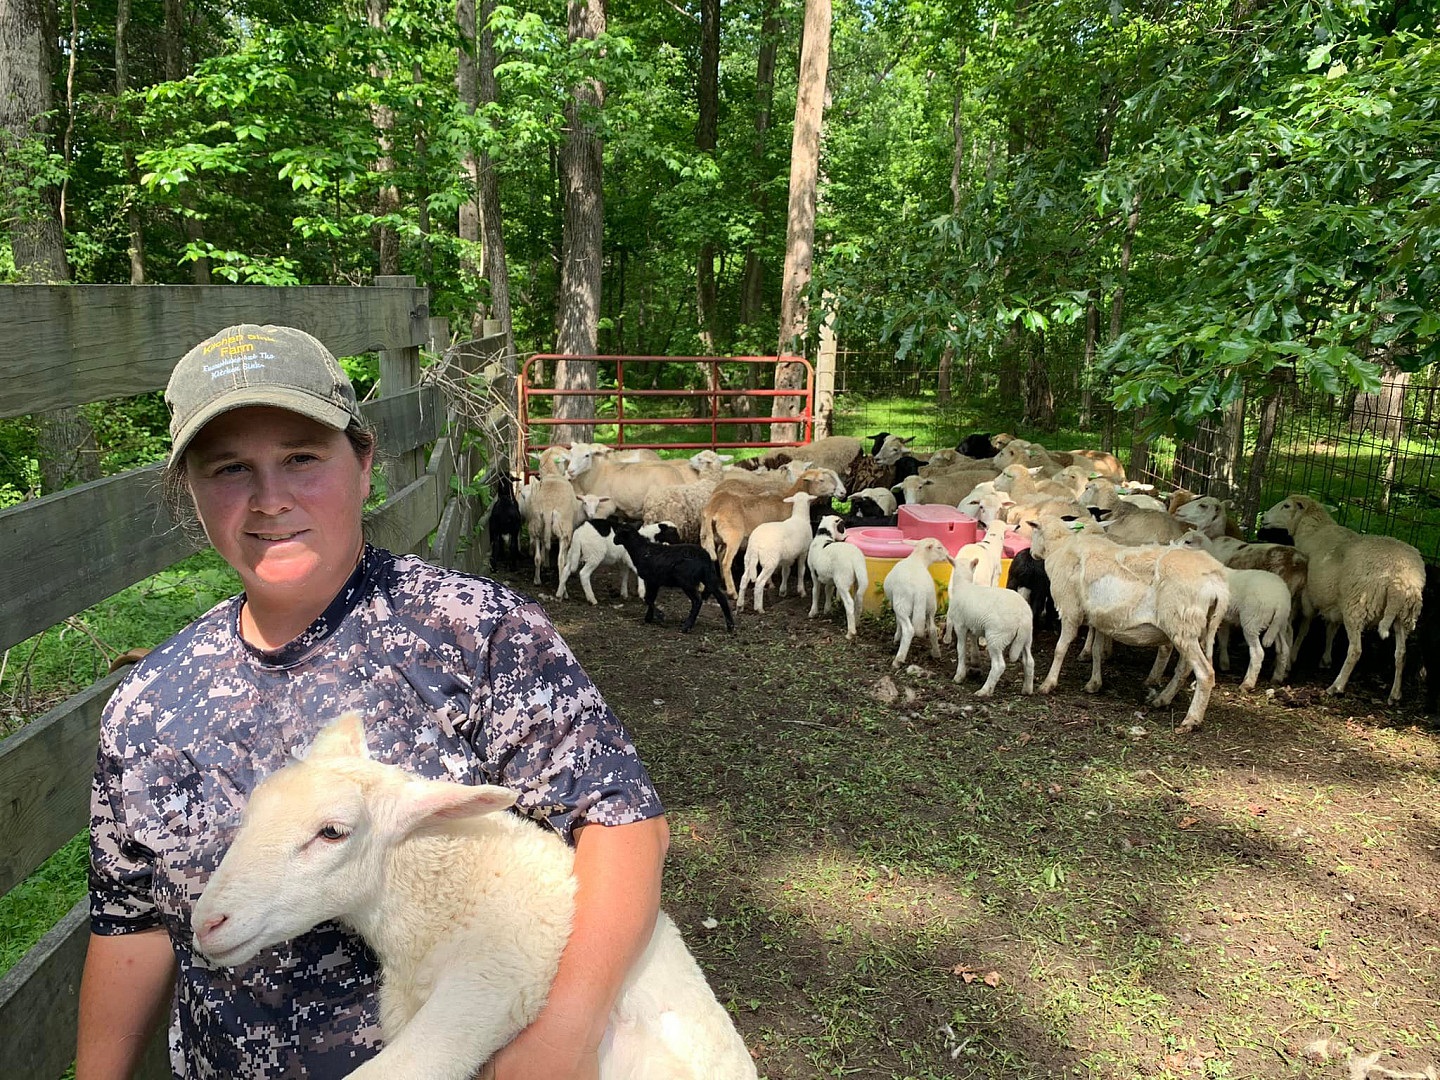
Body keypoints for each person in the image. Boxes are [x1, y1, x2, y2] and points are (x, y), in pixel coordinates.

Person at [75, 324, 669, 1080]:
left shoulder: (473, 630)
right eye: (229, 469)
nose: (269, 499)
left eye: (301, 458)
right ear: (189, 491)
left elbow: (622, 823)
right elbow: (131, 923)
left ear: (362, 462)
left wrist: (563, 1035)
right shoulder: (148, 704)